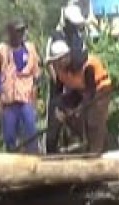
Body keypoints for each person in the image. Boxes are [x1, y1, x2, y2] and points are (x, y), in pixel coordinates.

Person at [47, 40, 112, 154]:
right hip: (79, 90)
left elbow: (90, 93)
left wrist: (78, 109)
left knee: (93, 119)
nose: (58, 64)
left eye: (60, 59)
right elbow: (58, 92)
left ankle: (96, 152)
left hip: (99, 89)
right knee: (71, 117)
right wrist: (60, 109)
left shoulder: (87, 65)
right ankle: (87, 144)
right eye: (55, 61)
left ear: (67, 57)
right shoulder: (59, 70)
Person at [44, 4, 89, 154]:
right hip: (59, 84)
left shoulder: (79, 38)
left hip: (76, 85)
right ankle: (51, 151)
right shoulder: (55, 36)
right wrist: (59, 80)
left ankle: (79, 145)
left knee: (78, 116)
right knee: (55, 118)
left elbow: (83, 58)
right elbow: (49, 62)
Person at [0, 20, 40, 153]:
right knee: (9, 136)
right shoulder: (1, 50)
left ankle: (33, 159)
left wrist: (34, 99)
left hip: (26, 99)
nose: (20, 34)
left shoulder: (30, 49)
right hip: (9, 100)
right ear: (10, 33)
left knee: (31, 131)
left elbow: (36, 76)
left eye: (22, 31)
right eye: (17, 31)